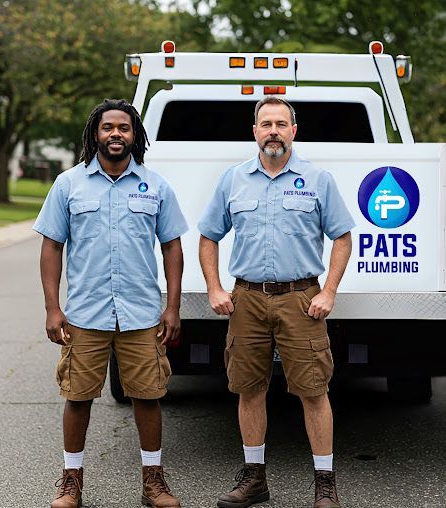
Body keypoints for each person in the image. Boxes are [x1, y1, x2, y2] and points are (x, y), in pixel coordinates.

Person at [198, 96, 354, 508]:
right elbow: (208, 235)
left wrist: (329, 291)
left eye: (281, 124)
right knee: (249, 389)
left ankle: (325, 485)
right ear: (254, 131)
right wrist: (215, 288)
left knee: (314, 391)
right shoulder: (233, 180)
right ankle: (254, 480)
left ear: (294, 131)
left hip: (300, 299)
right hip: (246, 298)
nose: (273, 131)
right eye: (265, 123)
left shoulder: (318, 180)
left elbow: (342, 236)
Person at [33, 99, 188, 508]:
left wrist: (172, 307)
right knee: (78, 396)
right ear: (95, 134)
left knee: (147, 395)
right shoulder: (68, 184)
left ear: (134, 135)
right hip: (85, 312)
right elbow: (52, 246)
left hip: (140, 313)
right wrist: (53, 307)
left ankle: (153, 482)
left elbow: (172, 246)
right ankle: (71, 482)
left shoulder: (155, 186)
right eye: (108, 128)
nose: (115, 134)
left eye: (123, 128)